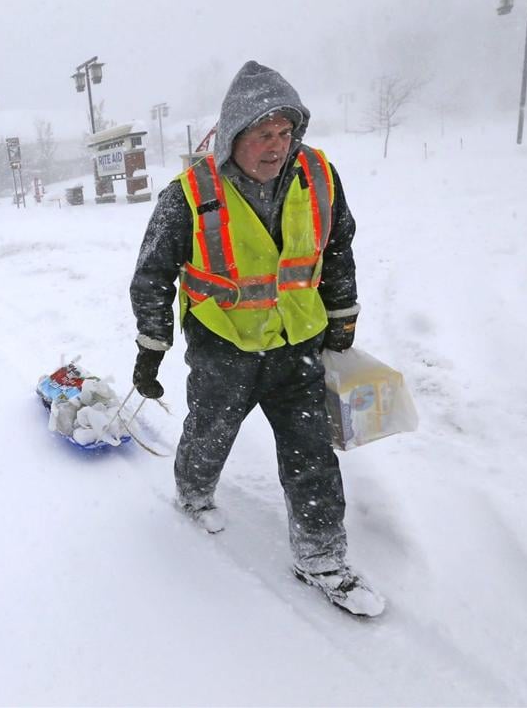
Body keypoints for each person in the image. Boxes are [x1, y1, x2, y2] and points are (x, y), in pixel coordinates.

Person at [129, 61, 381, 616]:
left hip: (297, 343)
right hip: (225, 346)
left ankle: (321, 556)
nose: (276, 146)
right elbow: (152, 275)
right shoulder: (189, 194)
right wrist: (151, 349)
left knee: (311, 452)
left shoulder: (318, 175)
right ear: (233, 135)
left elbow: (338, 248)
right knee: (211, 432)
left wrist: (341, 318)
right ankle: (193, 495)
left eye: (285, 133)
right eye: (263, 134)